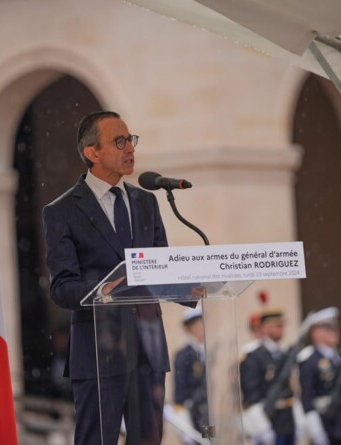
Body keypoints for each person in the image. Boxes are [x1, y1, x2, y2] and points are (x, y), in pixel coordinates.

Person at [43, 111, 170, 445]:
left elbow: (163, 267)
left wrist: (193, 285)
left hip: (147, 347)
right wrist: (102, 289)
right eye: (119, 141)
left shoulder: (147, 202)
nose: (130, 148)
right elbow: (62, 287)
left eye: (131, 140)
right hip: (98, 349)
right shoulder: (63, 211)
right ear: (92, 153)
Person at [297, 307, 341, 445]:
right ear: (315, 332)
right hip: (323, 422)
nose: (335, 333)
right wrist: (316, 432)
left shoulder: (339, 357)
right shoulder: (309, 359)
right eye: (328, 330)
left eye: (335, 329)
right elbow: (307, 398)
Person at [240, 309, 295, 445]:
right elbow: (251, 395)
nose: (280, 329)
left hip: (286, 420)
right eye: (276, 326)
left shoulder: (283, 353)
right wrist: (261, 427)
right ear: (264, 328)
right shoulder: (254, 356)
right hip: (267, 420)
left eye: (281, 326)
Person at [173, 307, 207, 445]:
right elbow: (179, 387)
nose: (202, 329)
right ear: (189, 328)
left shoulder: (210, 351)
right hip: (194, 410)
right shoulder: (184, 355)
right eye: (198, 325)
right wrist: (182, 419)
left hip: (209, 411)